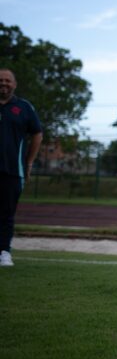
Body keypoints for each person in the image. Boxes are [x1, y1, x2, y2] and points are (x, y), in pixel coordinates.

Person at [0, 69, 43, 267]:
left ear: (14, 84)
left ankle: (4, 252)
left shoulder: (24, 107)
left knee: (7, 214)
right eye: (0, 80)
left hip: (13, 170)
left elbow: (37, 133)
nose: (4, 83)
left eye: (7, 80)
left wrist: (29, 161)